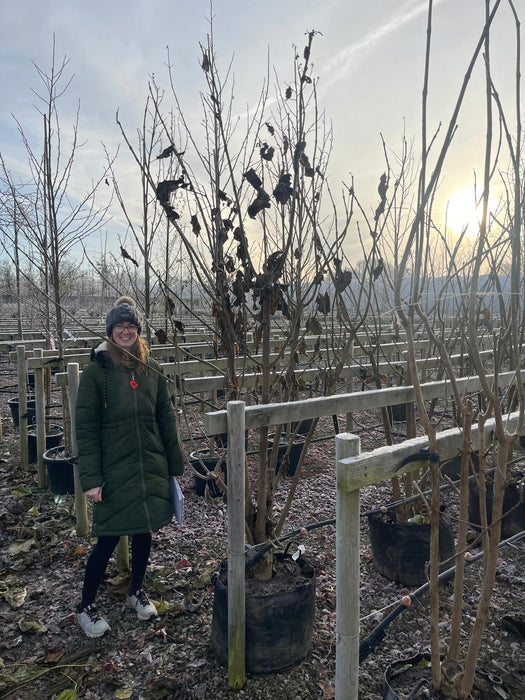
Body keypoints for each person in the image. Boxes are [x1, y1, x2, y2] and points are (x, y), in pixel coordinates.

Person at [75, 296, 183, 638]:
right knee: (106, 539)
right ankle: (85, 606)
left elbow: (165, 418)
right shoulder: (96, 375)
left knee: (143, 530)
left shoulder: (150, 372)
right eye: (119, 327)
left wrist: (174, 463)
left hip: (149, 463)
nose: (125, 332)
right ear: (110, 332)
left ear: (139, 332)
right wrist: (91, 479)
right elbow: (86, 429)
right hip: (113, 470)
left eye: (131, 327)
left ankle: (137, 591)